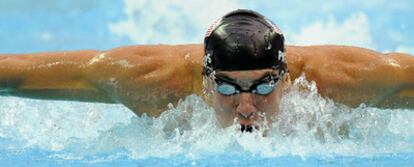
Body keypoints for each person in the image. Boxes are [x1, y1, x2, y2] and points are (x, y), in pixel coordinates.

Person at [0, 9, 413, 132]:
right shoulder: (151, 81)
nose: (246, 108)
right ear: (204, 78)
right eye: (228, 89)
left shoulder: (341, 79)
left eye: (266, 85)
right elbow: (16, 74)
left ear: (286, 76)